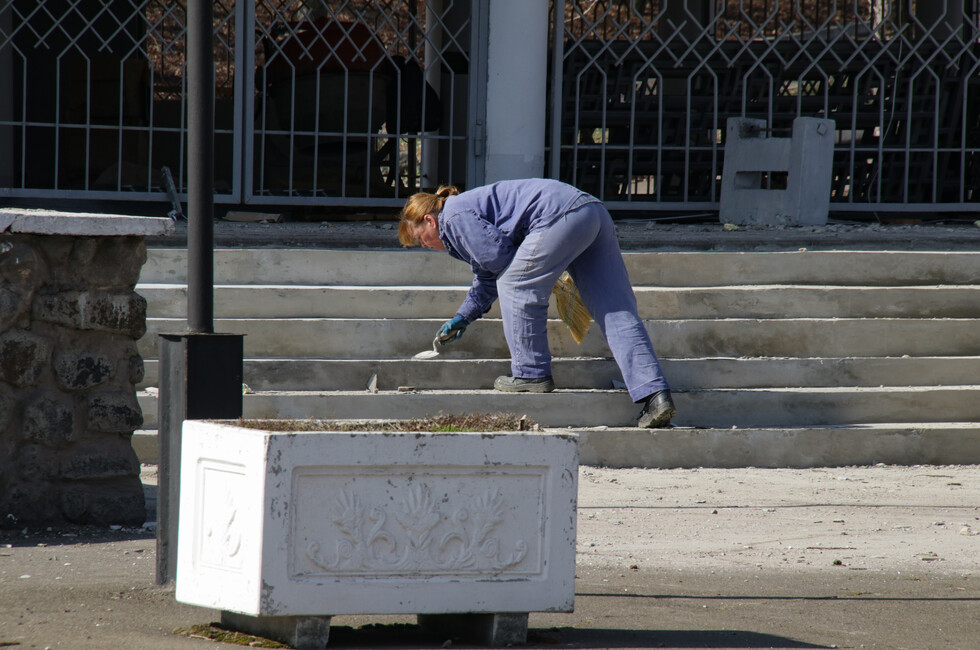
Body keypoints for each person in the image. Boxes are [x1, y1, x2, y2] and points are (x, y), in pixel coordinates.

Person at [397, 178, 675, 428]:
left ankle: (530, 373)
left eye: (420, 239)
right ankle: (656, 396)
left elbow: (499, 264)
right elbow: (489, 271)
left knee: (515, 284)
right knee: (616, 311)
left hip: (558, 215)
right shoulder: (462, 213)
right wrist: (464, 316)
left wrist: (539, 273)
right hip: (591, 211)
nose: (425, 246)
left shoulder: (453, 216)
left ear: (430, 221)